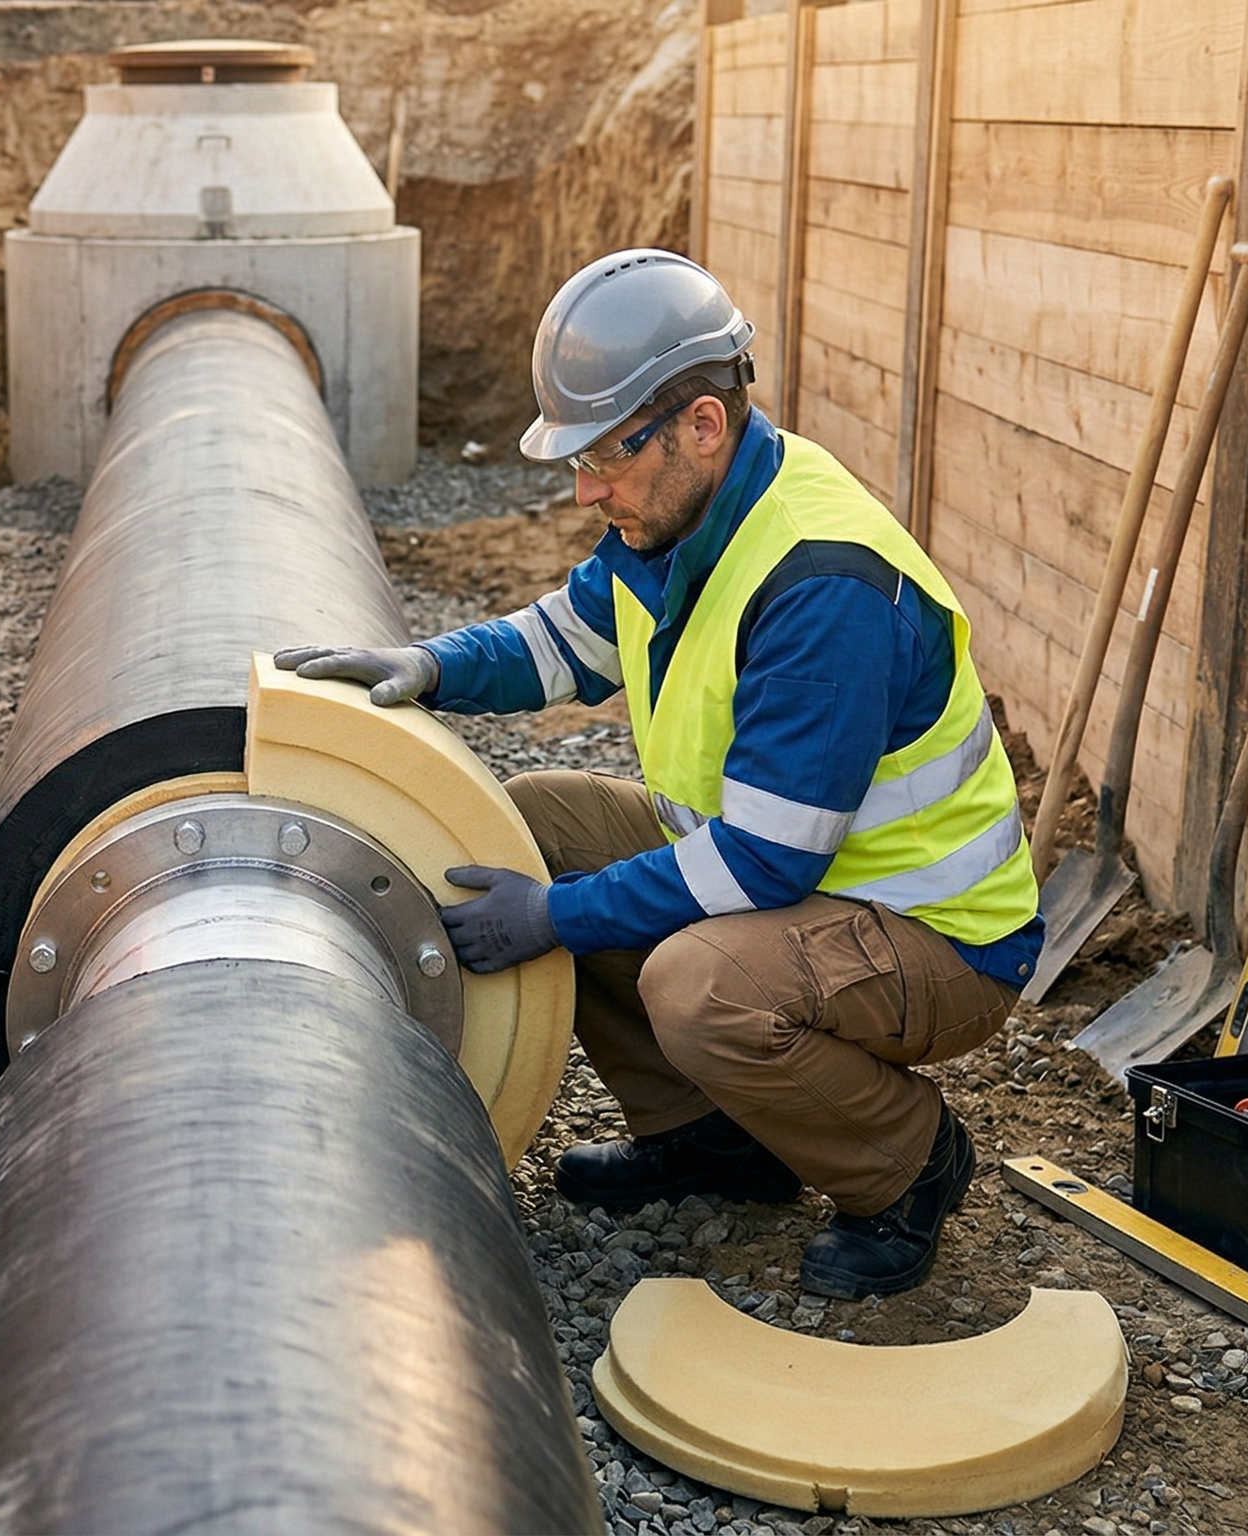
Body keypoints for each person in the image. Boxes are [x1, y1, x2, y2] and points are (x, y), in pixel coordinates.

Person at [278, 249, 1040, 1299]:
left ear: (699, 424)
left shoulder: (821, 585)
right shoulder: (676, 513)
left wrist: (556, 918)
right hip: (809, 889)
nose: (585, 491)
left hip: (931, 935)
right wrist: (433, 666)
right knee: (534, 821)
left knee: (696, 987)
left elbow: (764, 863)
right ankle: (715, 1140)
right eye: (574, 462)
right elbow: (565, 641)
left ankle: (903, 1164)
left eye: (603, 456)